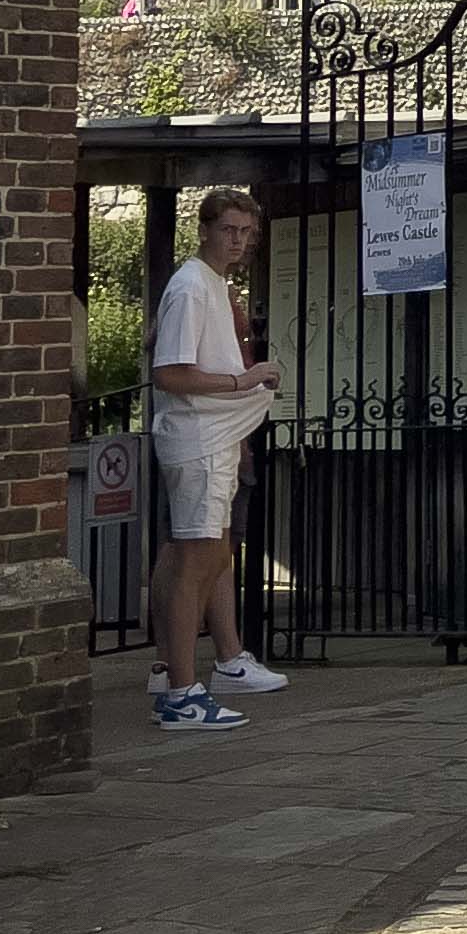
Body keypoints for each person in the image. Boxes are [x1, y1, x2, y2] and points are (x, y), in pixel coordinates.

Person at [146, 189, 284, 730]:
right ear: (204, 228)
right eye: (230, 230)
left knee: (200, 554)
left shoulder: (210, 284)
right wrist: (242, 381)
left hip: (215, 436)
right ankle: (181, 691)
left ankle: (176, 674)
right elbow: (170, 372)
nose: (240, 242)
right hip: (199, 437)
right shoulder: (190, 288)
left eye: (248, 234)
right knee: (196, 560)